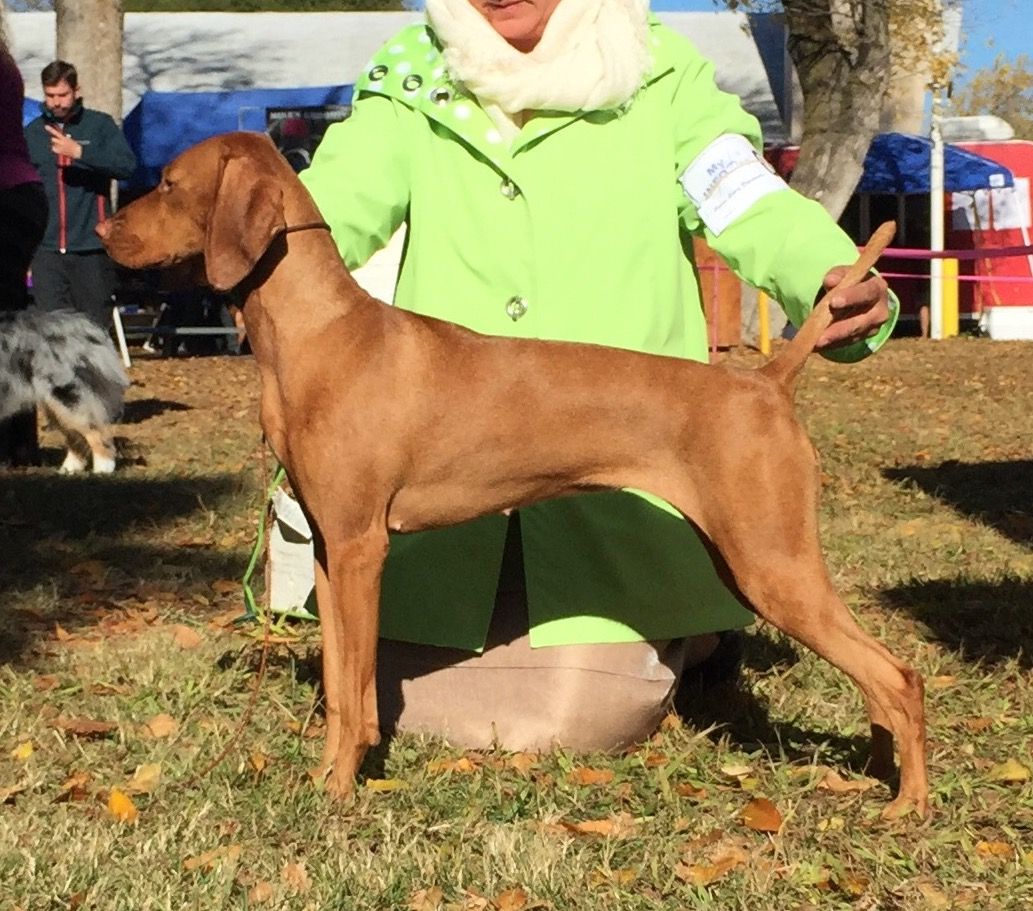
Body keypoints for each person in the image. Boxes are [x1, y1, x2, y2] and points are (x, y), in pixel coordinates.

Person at [299, 0, 898, 751]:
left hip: (615, 508)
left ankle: (698, 630)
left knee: (560, 724)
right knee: (392, 702)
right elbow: (321, 220)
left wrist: (821, 273)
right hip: (448, 509)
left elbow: (746, 200)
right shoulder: (413, 72)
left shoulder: (656, 70)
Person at [24, 60, 136, 329]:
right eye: (50, 95)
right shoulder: (33, 133)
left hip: (90, 248)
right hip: (47, 251)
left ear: (76, 91)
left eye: (63, 95)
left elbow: (127, 166)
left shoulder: (99, 126)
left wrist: (80, 154)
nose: (57, 102)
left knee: (93, 328)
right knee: (51, 331)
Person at [0, 11, 47, 467]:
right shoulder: (6, 62)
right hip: (22, 194)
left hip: (6, 197)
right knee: (9, 322)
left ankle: (14, 444)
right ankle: (18, 444)